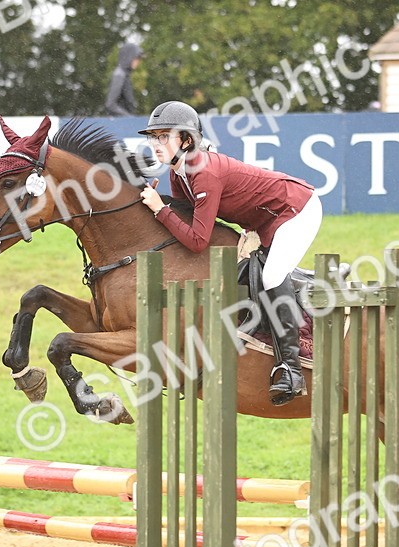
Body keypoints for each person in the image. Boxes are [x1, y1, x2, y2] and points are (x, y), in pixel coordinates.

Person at [137, 100, 321, 405]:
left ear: (185, 139)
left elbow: (197, 240)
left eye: (163, 137)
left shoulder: (203, 171)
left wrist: (160, 209)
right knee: (255, 273)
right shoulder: (179, 173)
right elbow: (185, 218)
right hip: (266, 220)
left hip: (297, 209)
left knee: (273, 274)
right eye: (152, 138)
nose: (155, 144)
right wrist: (157, 206)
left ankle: (291, 369)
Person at [104, 42, 143, 116]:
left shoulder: (125, 75)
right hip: (120, 124)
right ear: (129, 57)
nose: (138, 62)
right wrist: (130, 118)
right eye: (137, 58)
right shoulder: (119, 75)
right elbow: (110, 104)